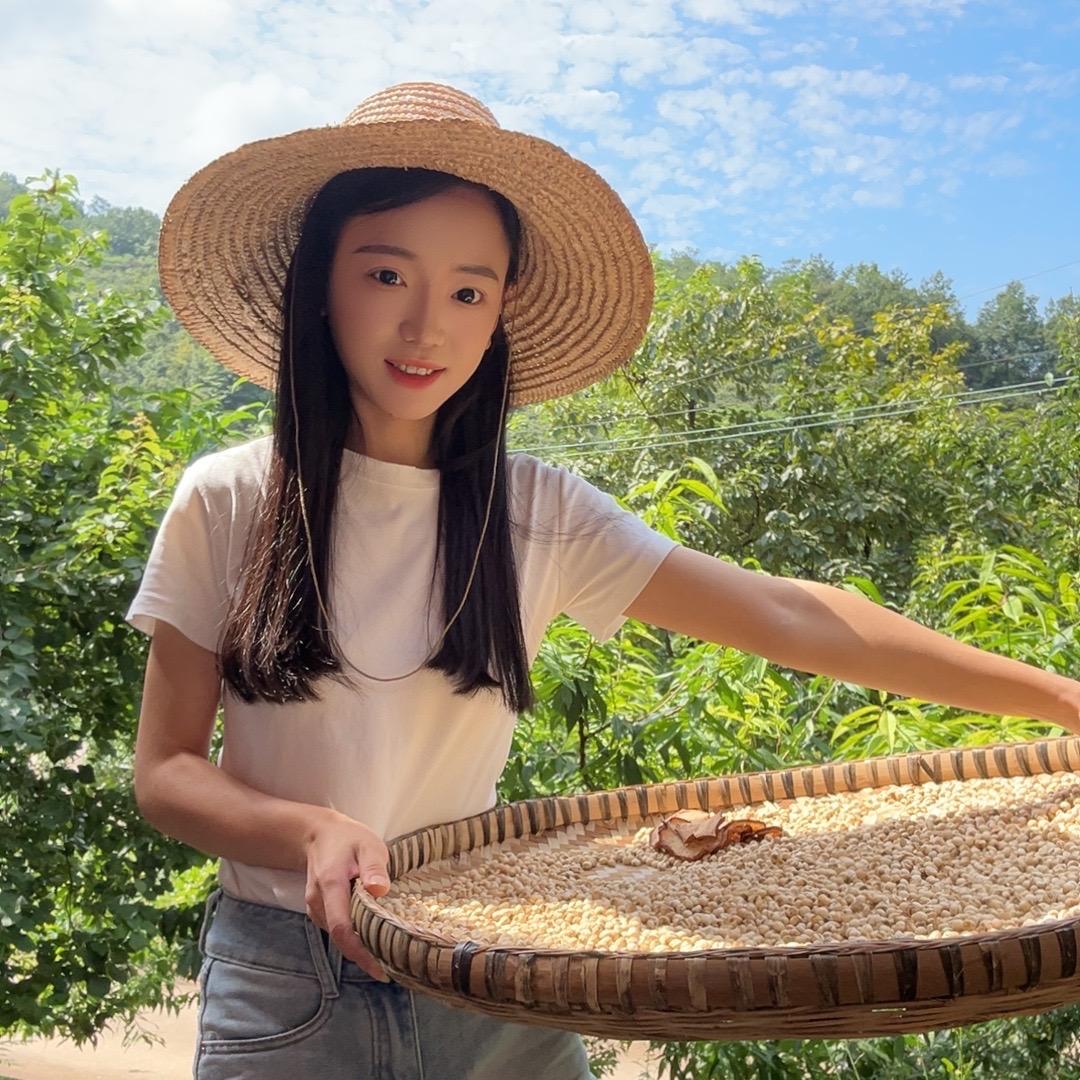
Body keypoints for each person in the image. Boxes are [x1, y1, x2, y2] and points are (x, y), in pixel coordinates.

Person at [125, 83, 1080, 1080]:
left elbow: (793, 614)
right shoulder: (229, 500)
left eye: (467, 291)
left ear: (499, 314)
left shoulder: (537, 512)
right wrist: (308, 830)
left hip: (490, 964)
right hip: (287, 983)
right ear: (322, 283)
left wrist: (1061, 698)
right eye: (385, 274)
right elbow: (167, 772)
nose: (425, 328)